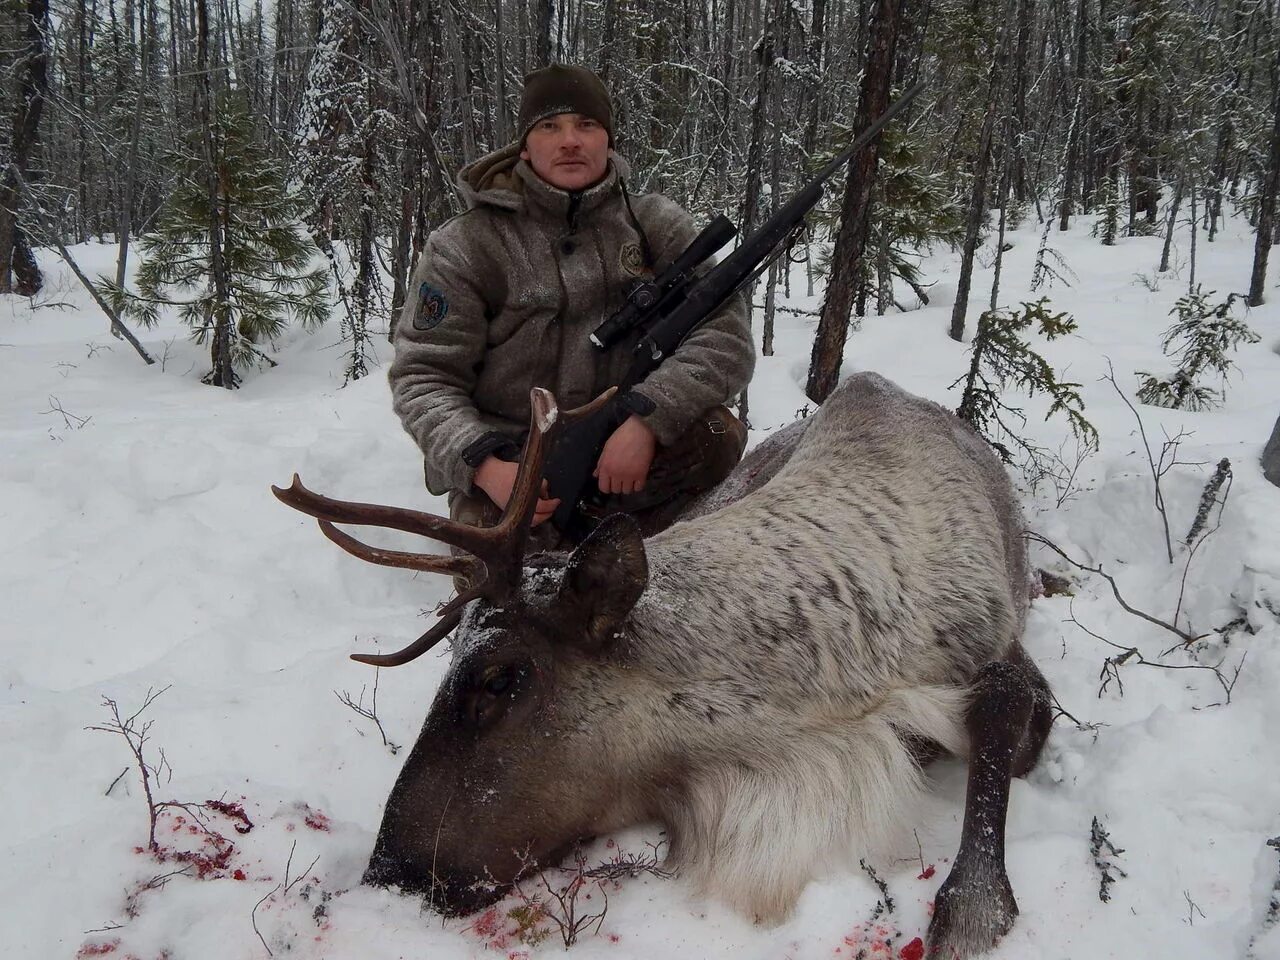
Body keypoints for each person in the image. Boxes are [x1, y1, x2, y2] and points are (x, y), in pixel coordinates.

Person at [389, 64, 754, 546]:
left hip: (627, 450)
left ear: (609, 140)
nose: (570, 141)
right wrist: (483, 465)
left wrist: (649, 418)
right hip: (516, 465)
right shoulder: (466, 245)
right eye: (549, 127)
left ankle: (643, 547)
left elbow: (724, 336)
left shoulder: (657, 226)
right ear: (524, 146)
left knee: (715, 435)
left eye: (586, 125)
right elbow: (423, 376)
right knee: (501, 585)